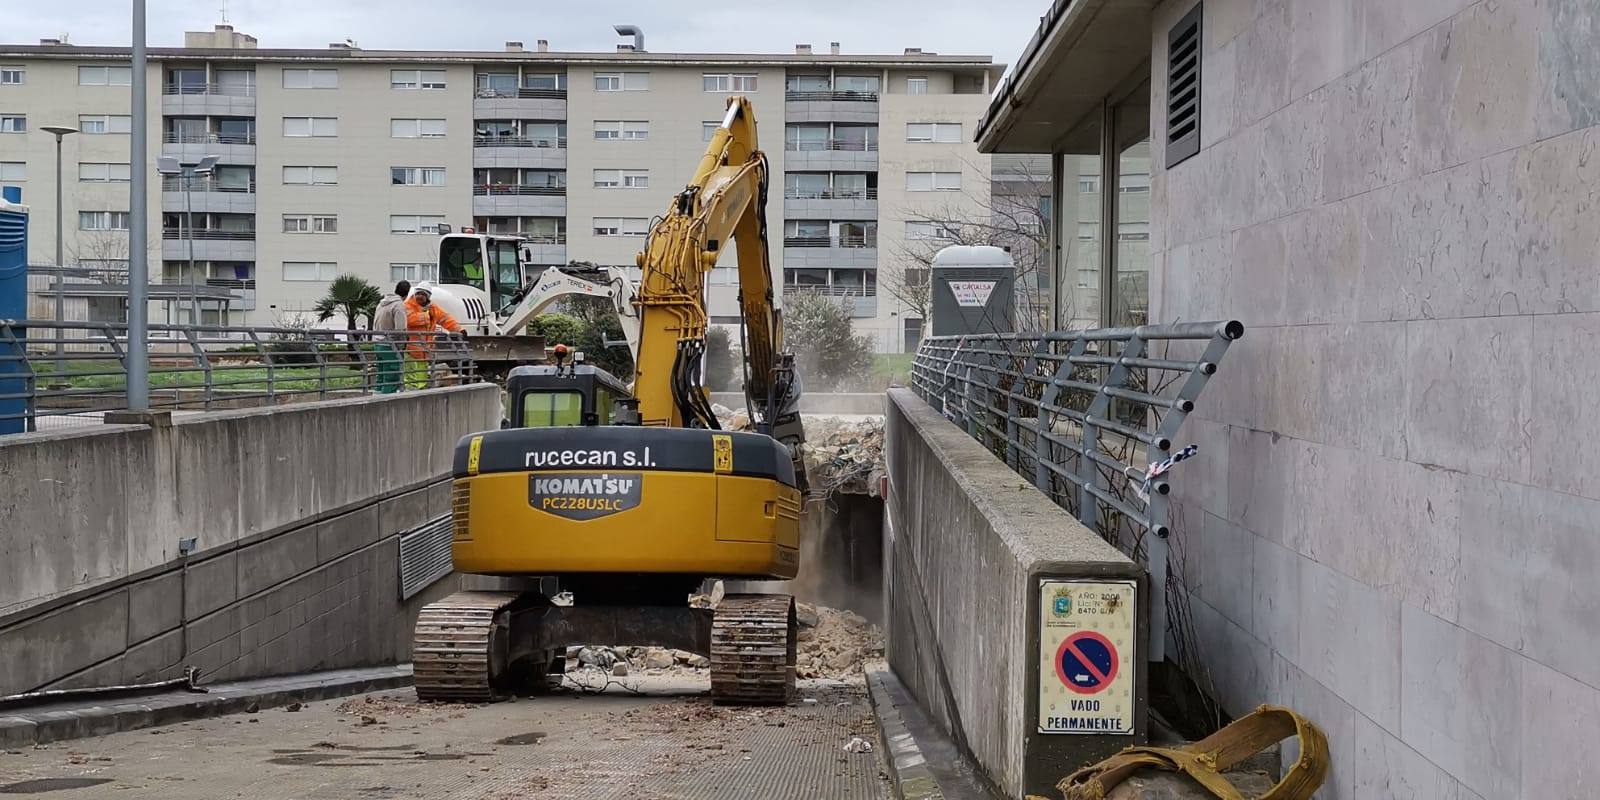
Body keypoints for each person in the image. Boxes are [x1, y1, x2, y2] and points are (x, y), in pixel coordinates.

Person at [403, 283, 463, 390]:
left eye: (422, 294)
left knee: (422, 375)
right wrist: (426, 316)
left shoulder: (432, 308)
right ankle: (410, 393)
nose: (419, 296)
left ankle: (421, 391)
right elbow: (409, 320)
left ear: (428, 296)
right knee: (410, 374)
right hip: (410, 350)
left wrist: (459, 330)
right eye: (418, 294)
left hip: (425, 350)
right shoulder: (407, 305)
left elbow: (445, 319)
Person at [372, 280, 410, 393]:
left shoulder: (381, 303)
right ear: (406, 294)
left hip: (378, 343)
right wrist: (402, 345)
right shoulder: (398, 305)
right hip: (390, 345)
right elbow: (400, 329)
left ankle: (376, 399)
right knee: (391, 377)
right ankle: (387, 401)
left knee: (381, 374)